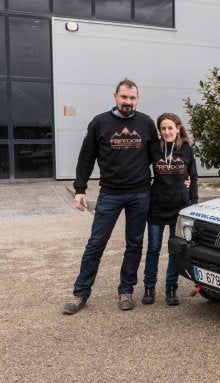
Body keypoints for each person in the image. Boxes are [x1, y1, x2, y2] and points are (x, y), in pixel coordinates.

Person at [63, 79, 158, 314]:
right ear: (115, 96)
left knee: (134, 244)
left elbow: (157, 157)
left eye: (132, 98)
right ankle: (80, 293)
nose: (128, 102)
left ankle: (125, 290)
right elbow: (86, 158)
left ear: (138, 99)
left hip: (140, 193)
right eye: (124, 97)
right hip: (110, 194)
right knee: (95, 244)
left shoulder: (146, 123)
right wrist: (80, 189)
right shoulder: (99, 122)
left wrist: (181, 177)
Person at [142, 112, 198, 306]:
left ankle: (171, 289)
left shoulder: (187, 149)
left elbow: (194, 177)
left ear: (178, 128)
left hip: (179, 208)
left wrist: (193, 203)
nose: (166, 132)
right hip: (156, 206)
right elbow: (139, 167)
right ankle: (149, 288)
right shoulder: (154, 148)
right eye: (163, 129)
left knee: (174, 251)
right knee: (154, 249)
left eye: (170, 128)